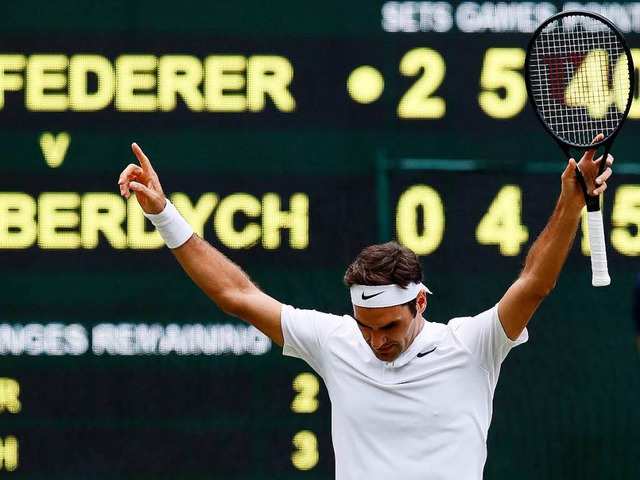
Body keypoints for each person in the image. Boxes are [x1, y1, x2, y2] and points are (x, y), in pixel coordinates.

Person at [118, 139, 613, 480]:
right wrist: (164, 215)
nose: (377, 341)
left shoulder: (472, 345)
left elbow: (534, 283)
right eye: (366, 327)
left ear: (420, 302)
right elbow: (237, 296)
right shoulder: (335, 342)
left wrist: (570, 202)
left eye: (389, 326)